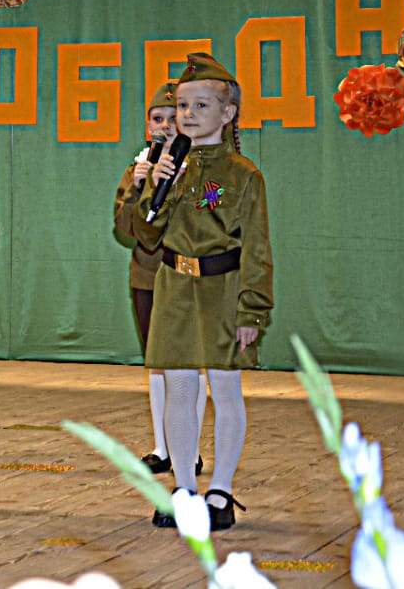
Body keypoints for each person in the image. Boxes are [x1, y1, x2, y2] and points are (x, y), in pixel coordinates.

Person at [135, 53, 273, 531]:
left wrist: (252, 311)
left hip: (222, 290)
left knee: (225, 389)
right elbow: (145, 235)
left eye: (200, 105)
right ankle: (184, 488)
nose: (188, 114)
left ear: (228, 113)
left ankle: (221, 492)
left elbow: (257, 248)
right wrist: (153, 189)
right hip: (175, 286)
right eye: (182, 106)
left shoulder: (243, 174)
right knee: (179, 390)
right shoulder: (170, 166)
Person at [113, 83, 205, 475]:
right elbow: (124, 228)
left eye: (173, 117)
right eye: (157, 118)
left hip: (187, 277)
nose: (165, 126)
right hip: (148, 276)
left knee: (189, 364)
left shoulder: (200, 168)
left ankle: (191, 449)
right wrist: (138, 187)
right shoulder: (138, 168)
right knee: (157, 363)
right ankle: (162, 447)